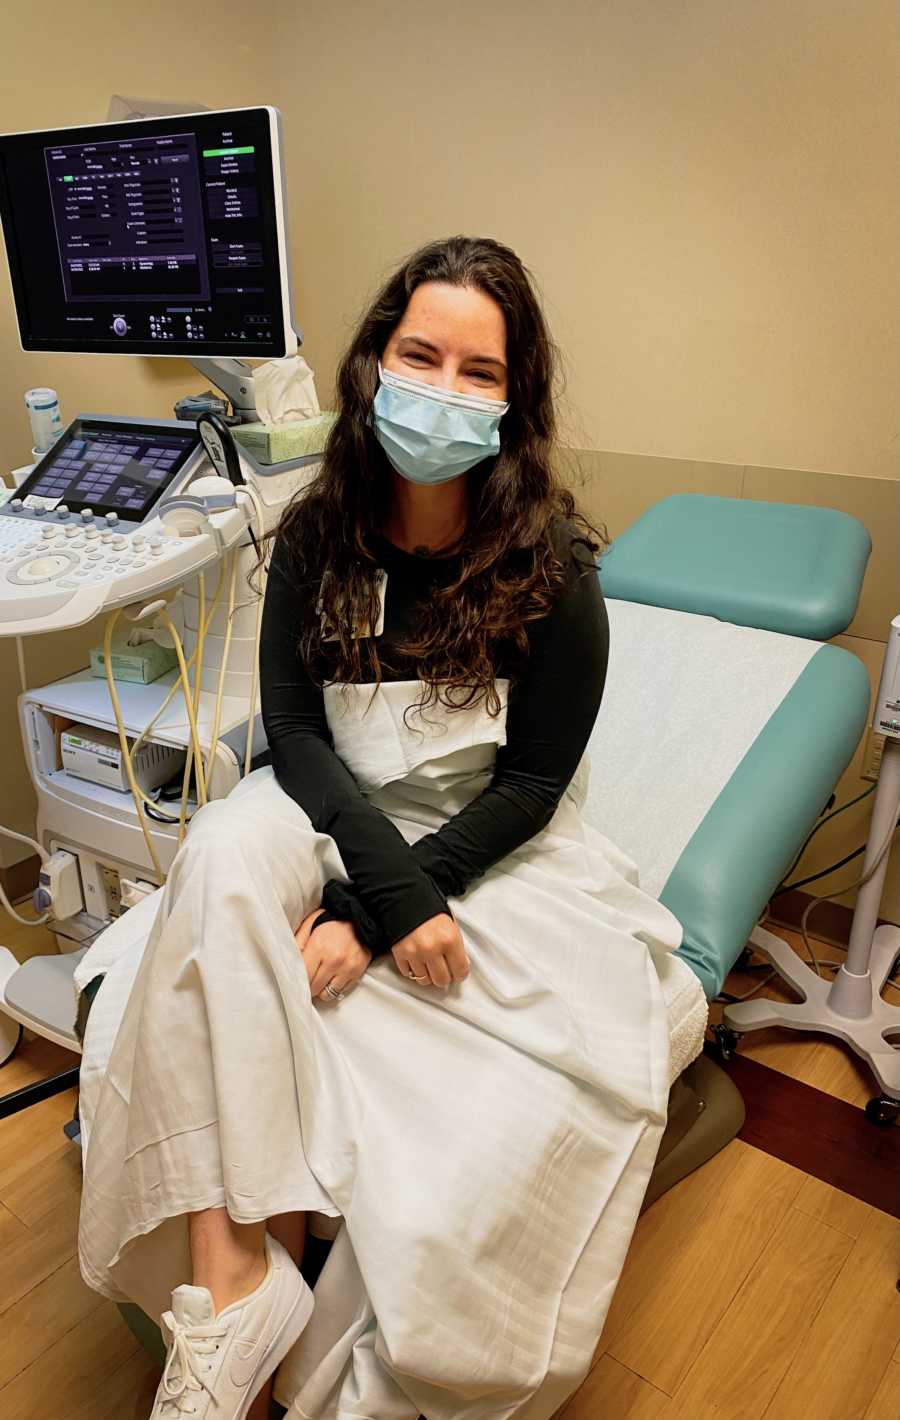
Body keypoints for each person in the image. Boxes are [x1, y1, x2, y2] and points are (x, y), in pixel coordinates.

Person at [77, 235, 683, 1420]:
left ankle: (242, 1297)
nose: (443, 390)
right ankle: (238, 1285)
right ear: (372, 365)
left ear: (515, 401)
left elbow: (533, 786)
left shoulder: (556, 569)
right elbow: (297, 736)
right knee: (216, 852)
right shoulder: (316, 533)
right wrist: (371, 883)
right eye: (420, 355)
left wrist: (384, 903)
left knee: (497, 1070)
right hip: (327, 803)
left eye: (478, 370)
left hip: (486, 842)